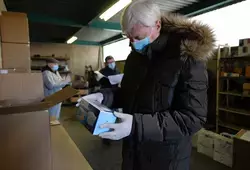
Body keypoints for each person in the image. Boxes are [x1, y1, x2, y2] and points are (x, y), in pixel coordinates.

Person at [78, 1, 215, 170]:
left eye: (138, 38)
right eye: (128, 37)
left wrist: (136, 125)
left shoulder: (187, 58)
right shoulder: (136, 57)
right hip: (133, 153)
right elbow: (128, 93)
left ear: (157, 25)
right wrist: (104, 96)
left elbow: (192, 118)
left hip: (167, 160)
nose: (132, 43)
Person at [42, 58, 70, 125]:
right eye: (55, 64)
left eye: (57, 64)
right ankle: (50, 126)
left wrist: (64, 81)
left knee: (56, 112)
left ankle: (54, 123)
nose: (56, 65)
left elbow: (59, 81)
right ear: (49, 64)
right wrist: (65, 82)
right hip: (51, 95)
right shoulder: (46, 73)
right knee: (51, 113)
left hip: (58, 95)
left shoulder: (55, 71)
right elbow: (50, 85)